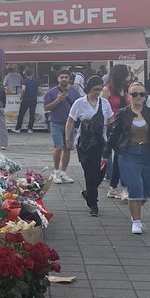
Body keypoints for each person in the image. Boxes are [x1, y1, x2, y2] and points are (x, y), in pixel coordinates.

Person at [104, 81, 150, 233]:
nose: (138, 97)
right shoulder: (123, 113)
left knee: (148, 188)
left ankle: (135, 207)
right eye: (134, 94)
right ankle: (136, 221)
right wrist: (106, 154)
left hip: (148, 153)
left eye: (141, 94)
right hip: (128, 153)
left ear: (145, 96)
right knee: (135, 186)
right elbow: (114, 135)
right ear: (128, 96)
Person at [65, 75, 113, 216]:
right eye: (95, 89)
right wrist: (68, 139)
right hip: (85, 145)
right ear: (88, 89)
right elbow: (70, 121)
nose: (98, 92)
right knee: (90, 174)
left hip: (101, 143)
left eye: (100, 89)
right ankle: (93, 204)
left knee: (101, 173)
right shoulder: (79, 103)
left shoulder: (104, 103)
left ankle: (88, 192)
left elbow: (111, 119)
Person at [44, 69, 80, 183]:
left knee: (67, 148)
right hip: (56, 122)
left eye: (66, 77)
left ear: (69, 79)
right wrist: (58, 100)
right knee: (58, 147)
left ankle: (63, 172)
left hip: (70, 123)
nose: (64, 79)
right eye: (62, 77)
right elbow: (46, 108)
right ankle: (56, 171)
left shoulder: (74, 92)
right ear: (58, 79)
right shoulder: (51, 92)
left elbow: (79, 106)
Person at [102, 64, 130, 199]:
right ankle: (123, 187)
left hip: (126, 126)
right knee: (120, 156)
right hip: (113, 127)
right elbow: (101, 109)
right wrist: (109, 120)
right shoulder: (107, 90)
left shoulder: (125, 89)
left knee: (120, 157)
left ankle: (113, 187)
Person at [14, 68, 40, 134]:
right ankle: (30, 129)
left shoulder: (24, 81)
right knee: (32, 114)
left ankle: (18, 128)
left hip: (26, 99)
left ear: (25, 74)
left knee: (21, 114)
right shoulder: (36, 81)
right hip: (33, 99)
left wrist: (21, 97)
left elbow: (23, 90)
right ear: (33, 74)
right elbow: (39, 91)